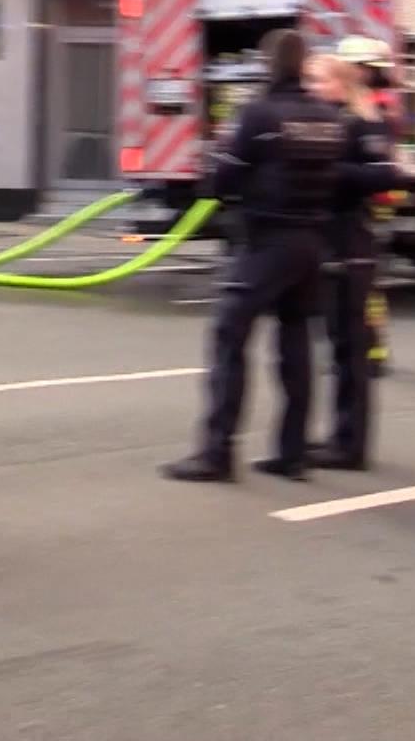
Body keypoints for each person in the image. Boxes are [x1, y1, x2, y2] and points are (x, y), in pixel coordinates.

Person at [162, 28, 345, 484]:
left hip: (267, 241)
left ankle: (217, 453)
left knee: (229, 337)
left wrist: (217, 179)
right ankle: (292, 453)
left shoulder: (259, 114)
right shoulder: (328, 117)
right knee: (295, 344)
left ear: (268, 65)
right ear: (304, 65)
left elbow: (222, 180)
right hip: (312, 242)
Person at [307, 50, 401, 470]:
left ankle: (350, 446)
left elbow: (385, 174)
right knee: (337, 346)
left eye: (319, 80)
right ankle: (338, 436)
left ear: (342, 85)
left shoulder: (364, 123)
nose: (312, 88)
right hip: (326, 241)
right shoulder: (323, 122)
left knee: (351, 347)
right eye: (309, 80)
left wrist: (332, 171)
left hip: (352, 242)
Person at [337, 36, 399, 378]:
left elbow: (383, 169)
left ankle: (372, 351)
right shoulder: (352, 106)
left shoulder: (371, 110)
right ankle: (358, 349)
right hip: (349, 212)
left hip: (364, 212)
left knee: (365, 284)